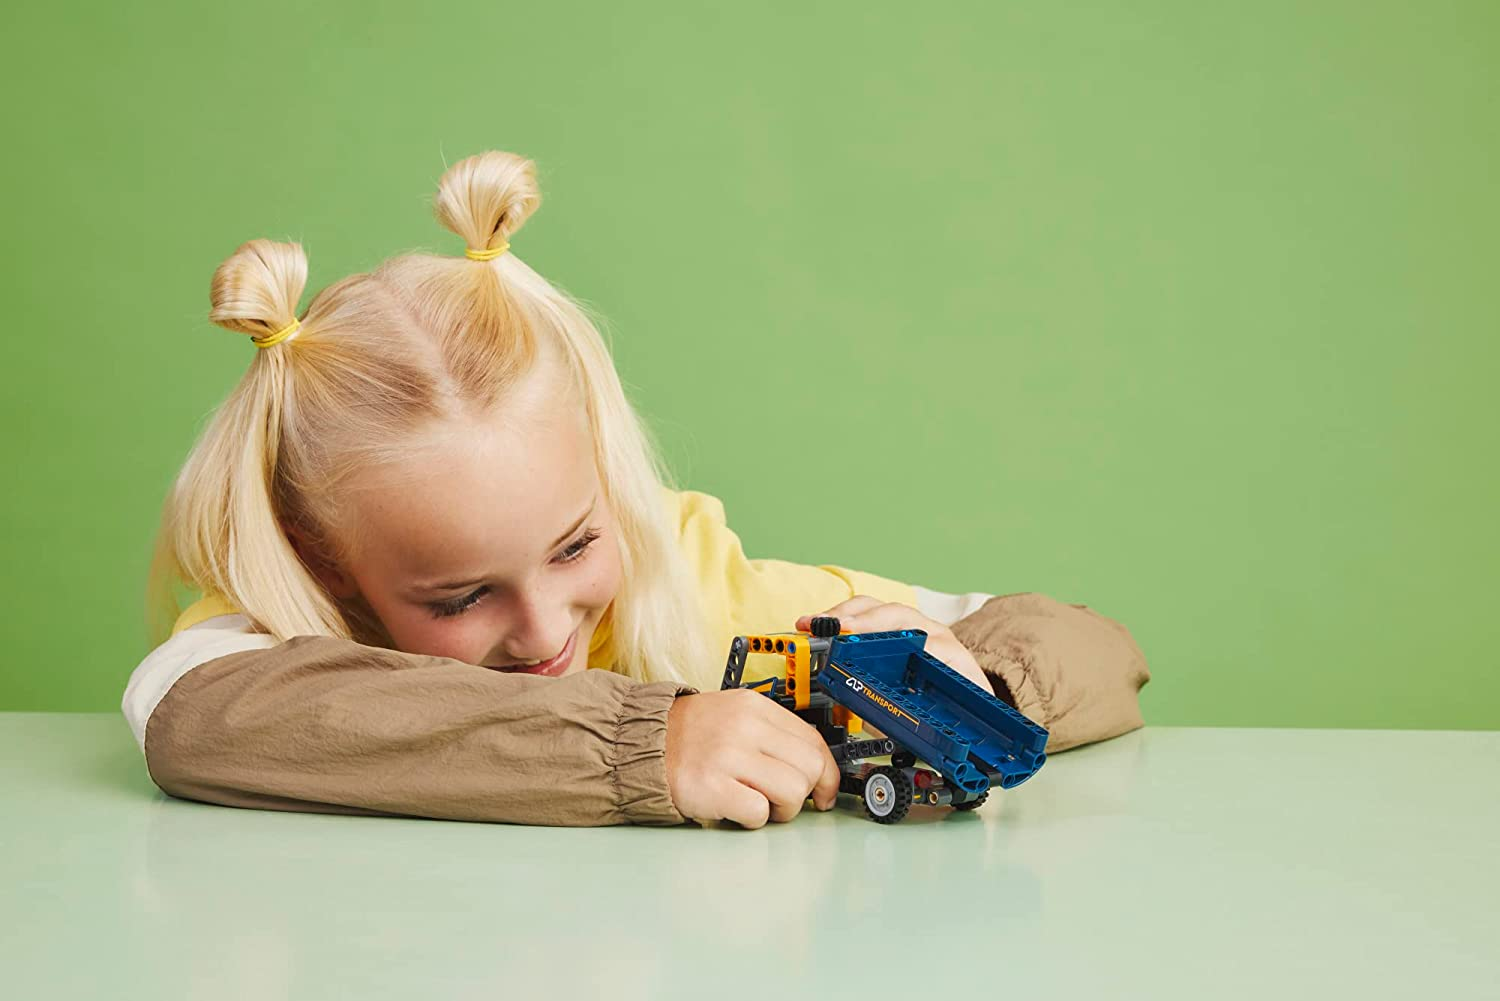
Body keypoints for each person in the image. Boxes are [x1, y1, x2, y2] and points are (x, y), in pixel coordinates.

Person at [123, 150, 1150, 830]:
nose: (543, 629)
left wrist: (970, 686)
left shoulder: (692, 581)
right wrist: (646, 744)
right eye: (460, 596)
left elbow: (1098, 642)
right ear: (320, 558)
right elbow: (184, 708)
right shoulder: (284, 633)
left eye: (574, 544)